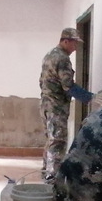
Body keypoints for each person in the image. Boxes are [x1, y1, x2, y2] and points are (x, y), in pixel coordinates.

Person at [39, 27, 95, 184]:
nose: (75, 47)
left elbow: (42, 81)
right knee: (58, 142)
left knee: (51, 140)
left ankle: (46, 174)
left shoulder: (49, 55)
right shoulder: (62, 58)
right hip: (56, 107)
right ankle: (53, 181)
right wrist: (90, 98)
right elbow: (68, 85)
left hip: (45, 104)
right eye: (74, 43)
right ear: (65, 41)